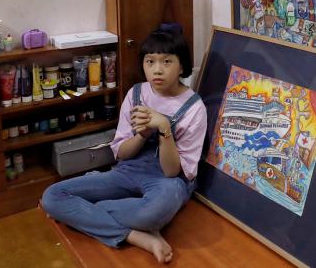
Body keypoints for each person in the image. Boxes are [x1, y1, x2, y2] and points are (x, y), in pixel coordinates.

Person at [41, 25, 206, 263]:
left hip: (168, 181)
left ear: (182, 66)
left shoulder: (194, 108)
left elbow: (172, 171)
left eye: (167, 62)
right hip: (128, 171)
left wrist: (164, 129)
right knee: (53, 196)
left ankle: (82, 212)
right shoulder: (136, 93)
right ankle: (136, 236)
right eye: (150, 62)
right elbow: (123, 155)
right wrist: (142, 134)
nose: (157, 70)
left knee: (153, 212)